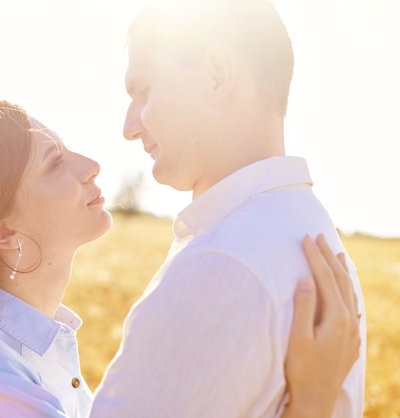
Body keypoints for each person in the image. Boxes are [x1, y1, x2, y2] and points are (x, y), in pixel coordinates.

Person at [0, 100, 358, 418]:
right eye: (53, 163)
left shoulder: (24, 350)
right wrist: (311, 401)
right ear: (3, 232)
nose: (90, 163)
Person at [88, 0, 365, 417]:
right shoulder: (312, 233)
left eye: (144, 92)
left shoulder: (222, 266)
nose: (130, 126)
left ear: (217, 75)